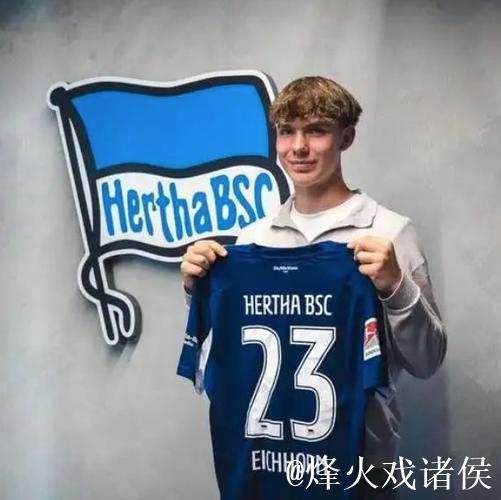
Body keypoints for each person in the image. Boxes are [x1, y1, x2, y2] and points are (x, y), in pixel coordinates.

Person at [179, 76, 446, 498]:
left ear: (346, 138)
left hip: (361, 476)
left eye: (316, 130)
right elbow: (231, 355)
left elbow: (428, 360)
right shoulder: (253, 239)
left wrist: (396, 285)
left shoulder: (390, 231)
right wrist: (200, 291)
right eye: (286, 132)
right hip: (266, 470)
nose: (298, 147)